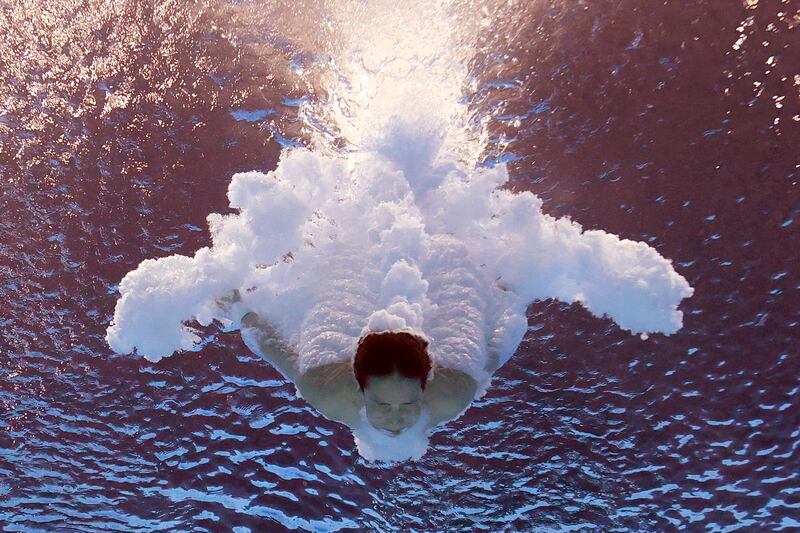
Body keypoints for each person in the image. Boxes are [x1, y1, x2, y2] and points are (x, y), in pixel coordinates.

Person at [238, 309, 481, 436]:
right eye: (382, 406)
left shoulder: (452, 397)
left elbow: (495, 347)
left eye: (408, 404)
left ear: (425, 387)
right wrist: (242, 312)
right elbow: (278, 351)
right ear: (359, 390)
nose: (395, 420)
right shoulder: (328, 395)